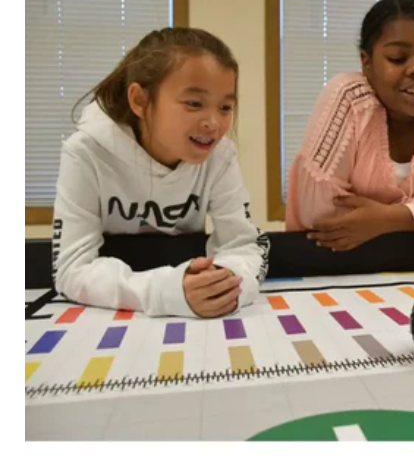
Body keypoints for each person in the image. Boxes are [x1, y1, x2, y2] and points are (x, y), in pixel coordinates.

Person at [52, 27, 270, 318]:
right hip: (117, 318)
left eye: (225, 107)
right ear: (139, 100)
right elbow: (71, 270)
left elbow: (244, 244)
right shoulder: (86, 152)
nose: (213, 123)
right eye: (194, 104)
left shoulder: (221, 157)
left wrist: (222, 284)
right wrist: (166, 292)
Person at [285, 0, 414, 251]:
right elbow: (319, 215)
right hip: (336, 260)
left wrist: (386, 219)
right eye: (397, 58)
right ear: (366, 62)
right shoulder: (348, 98)